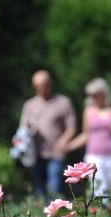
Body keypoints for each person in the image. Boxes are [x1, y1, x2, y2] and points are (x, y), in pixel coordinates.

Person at [63, 78, 111, 203]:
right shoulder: (88, 111)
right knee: (99, 190)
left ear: (104, 93)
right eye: (91, 95)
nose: (93, 98)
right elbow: (86, 135)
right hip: (94, 156)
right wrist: (68, 146)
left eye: (96, 95)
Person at [20, 70, 77, 198]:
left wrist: (63, 140)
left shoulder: (63, 102)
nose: (41, 89)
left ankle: (54, 216)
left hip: (55, 154)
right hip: (35, 154)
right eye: (37, 87)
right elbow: (22, 130)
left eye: (44, 86)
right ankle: (42, 215)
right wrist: (26, 129)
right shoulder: (29, 105)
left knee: (53, 190)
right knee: (40, 191)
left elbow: (72, 127)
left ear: (51, 83)